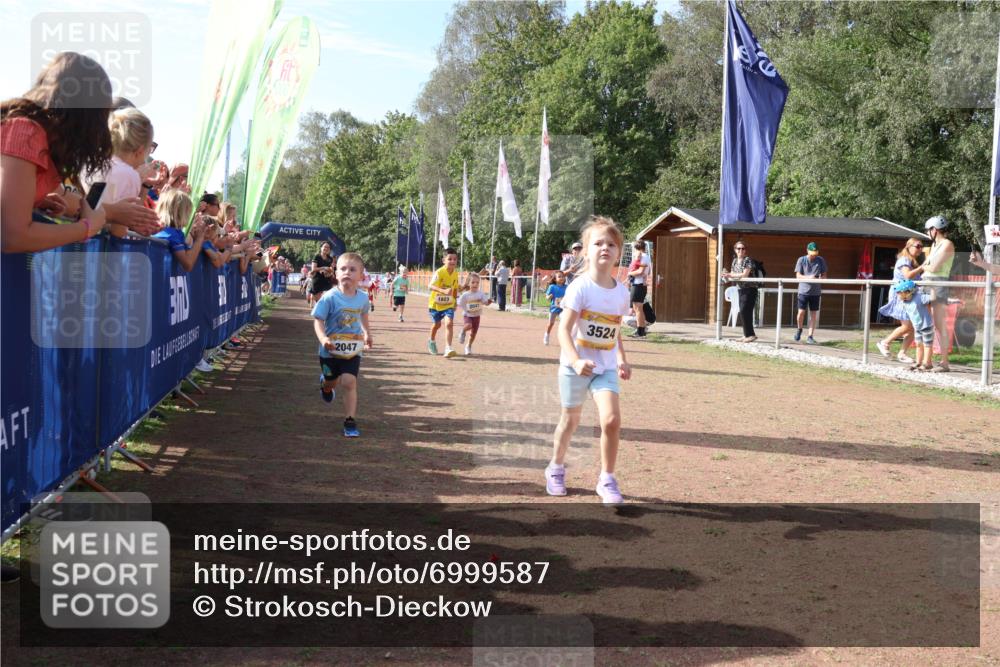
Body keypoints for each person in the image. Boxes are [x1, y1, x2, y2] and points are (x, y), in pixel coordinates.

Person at [546, 216, 632, 505]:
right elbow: (563, 330)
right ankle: (556, 468)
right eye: (598, 243)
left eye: (611, 244)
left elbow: (615, 330)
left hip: (604, 368)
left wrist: (621, 358)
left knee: (611, 420)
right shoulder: (579, 287)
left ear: (619, 252)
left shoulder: (622, 292)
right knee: (570, 421)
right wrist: (574, 361)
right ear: (585, 251)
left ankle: (607, 479)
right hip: (575, 367)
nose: (605, 248)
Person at [312, 252, 373, 438]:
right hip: (329, 351)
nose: (347, 272)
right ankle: (326, 385)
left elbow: (363, 315)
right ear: (336, 273)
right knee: (332, 381)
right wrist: (323, 339)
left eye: (353, 269)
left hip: (352, 349)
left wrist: (367, 333)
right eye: (343, 269)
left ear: (361, 275)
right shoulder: (329, 297)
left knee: (349, 381)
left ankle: (349, 420)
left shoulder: (363, 298)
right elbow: (318, 320)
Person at [876, 238, 926, 362]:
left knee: (913, 326)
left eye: (921, 247)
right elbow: (907, 275)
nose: (920, 249)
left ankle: (902, 353)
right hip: (901, 295)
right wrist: (922, 267)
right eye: (918, 246)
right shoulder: (904, 260)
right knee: (907, 326)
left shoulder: (911, 262)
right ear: (909, 246)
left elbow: (917, 279)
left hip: (909, 294)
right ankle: (884, 342)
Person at [921, 215, 956, 372]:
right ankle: (926, 361)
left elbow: (933, 267)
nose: (927, 233)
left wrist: (924, 265)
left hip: (938, 285)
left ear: (934, 229)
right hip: (928, 284)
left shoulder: (947, 244)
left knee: (939, 325)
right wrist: (926, 265)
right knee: (927, 324)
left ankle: (944, 363)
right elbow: (928, 265)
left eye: (928, 230)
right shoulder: (935, 245)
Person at [152, 189, 205, 272]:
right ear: (180, 213)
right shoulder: (171, 234)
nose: (190, 216)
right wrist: (199, 239)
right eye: (189, 212)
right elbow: (188, 265)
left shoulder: (173, 232)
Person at [892, 280, 935, 372]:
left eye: (900, 293)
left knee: (927, 345)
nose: (898, 295)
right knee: (918, 344)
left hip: (926, 325)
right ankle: (918, 362)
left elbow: (933, 298)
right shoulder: (905, 302)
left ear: (908, 292)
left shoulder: (919, 297)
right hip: (917, 327)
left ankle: (927, 363)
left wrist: (932, 287)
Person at [721, 241, 758, 342]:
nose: (741, 250)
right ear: (735, 250)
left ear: (745, 250)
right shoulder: (734, 261)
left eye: (743, 248)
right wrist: (727, 274)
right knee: (743, 311)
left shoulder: (748, 260)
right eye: (739, 248)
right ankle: (747, 335)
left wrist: (730, 275)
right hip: (740, 289)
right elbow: (733, 273)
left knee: (745, 311)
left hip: (750, 289)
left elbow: (745, 274)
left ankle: (751, 335)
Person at [427, 248, 461, 357]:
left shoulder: (455, 273)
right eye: (450, 259)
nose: (452, 261)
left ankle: (448, 348)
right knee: (437, 324)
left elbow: (455, 289)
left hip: (448, 304)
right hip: (436, 304)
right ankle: (431, 340)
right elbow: (430, 286)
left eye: (455, 259)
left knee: (449, 323)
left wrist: (455, 301)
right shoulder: (439, 272)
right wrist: (443, 291)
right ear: (443, 260)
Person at [794, 242, 827, 344]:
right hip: (803, 291)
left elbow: (825, 275)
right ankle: (799, 329)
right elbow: (798, 276)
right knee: (801, 313)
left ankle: (810, 336)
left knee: (813, 314)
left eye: (815, 253)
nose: (814, 255)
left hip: (815, 292)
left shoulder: (821, 260)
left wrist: (821, 279)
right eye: (812, 253)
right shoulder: (801, 259)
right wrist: (809, 277)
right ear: (807, 251)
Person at [457, 272, 492, 355]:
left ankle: (468, 346)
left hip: (477, 316)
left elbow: (485, 302)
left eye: (477, 282)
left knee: (473, 333)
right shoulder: (465, 295)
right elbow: (460, 303)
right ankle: (462, 331)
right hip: (467, 315)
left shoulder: (480, 293)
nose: (475, 284)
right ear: (469, 283)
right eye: (473, 282)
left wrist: (488, 302)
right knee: (469, 325)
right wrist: (466, 309)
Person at [626, 241, 651, 338]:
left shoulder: (643, 256)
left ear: (636, 247)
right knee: (638, 308)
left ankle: (640, 332)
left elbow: (641, 271)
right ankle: (641, 330)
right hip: (639, 284)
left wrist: (630, 274)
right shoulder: (644, 256)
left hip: (638, 284)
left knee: (637, 309)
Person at [544, 270, 567, 345]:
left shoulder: (566, 287)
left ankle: (563, 339)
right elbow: (546, 297)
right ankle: (547, 335)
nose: (562, 278)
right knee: (551, 323)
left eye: (563, 276)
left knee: (564, 323)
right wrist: (549, 297)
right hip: (554, 307)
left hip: (563, 309)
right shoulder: (552, 287)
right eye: (559, 276)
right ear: (554, 279)